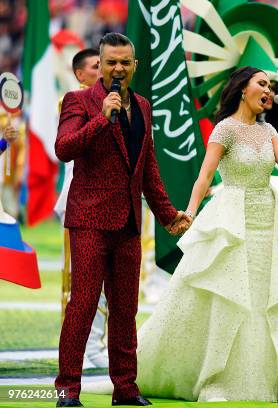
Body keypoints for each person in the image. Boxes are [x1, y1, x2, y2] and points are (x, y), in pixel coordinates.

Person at [134, 66, 278, 402]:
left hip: (267, 217)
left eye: (271, 85)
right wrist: (191, 213)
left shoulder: (269, 128)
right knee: (228, 297)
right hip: (231, 218)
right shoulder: (224, 129)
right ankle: (215, 381)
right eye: (262, 83)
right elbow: (204, 177)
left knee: (267, 299)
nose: (268, 90)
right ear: (243, 89)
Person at [54, 33, 190, 408]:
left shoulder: (143, 105)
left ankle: (126, 389)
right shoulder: (79, 101)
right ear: (100, 64)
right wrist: (102, 118)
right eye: (110, 62)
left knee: (126, 311)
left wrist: (166, 214)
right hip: (89, 220)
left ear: (134, 66)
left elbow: (147, 166)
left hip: (129, 222)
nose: (117, 69)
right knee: (81, 305)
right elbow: (64, 148)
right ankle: (67, 390)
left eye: (124, 62)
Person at [55, 48, 110, 370]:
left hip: (111, 201)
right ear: (80, 74)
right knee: (80, 282)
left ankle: (96, 345)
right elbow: (68, 146)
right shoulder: (74, 101)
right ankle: (81, 350)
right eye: (96, 66)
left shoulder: (123, 102)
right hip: (79, 202)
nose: (104, 71)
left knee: (108, 284)